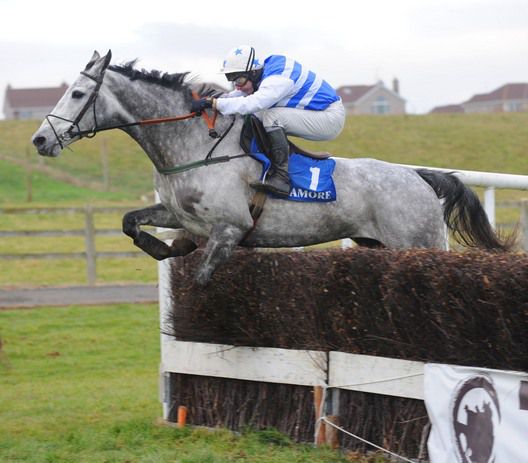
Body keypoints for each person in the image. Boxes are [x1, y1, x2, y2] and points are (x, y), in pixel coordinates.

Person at [191, 45, 345, 197]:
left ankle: (282, 178)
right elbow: (242, 94)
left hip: (330, 118)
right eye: (233, 81)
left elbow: (254, 102)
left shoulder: (278, 78)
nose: (238, 87)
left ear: (253, 73)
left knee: (271, 116)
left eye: (240, 80)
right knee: (259, 115)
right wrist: (215, 99)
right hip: (319, 114)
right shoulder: (264, 71)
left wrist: (215, 103)